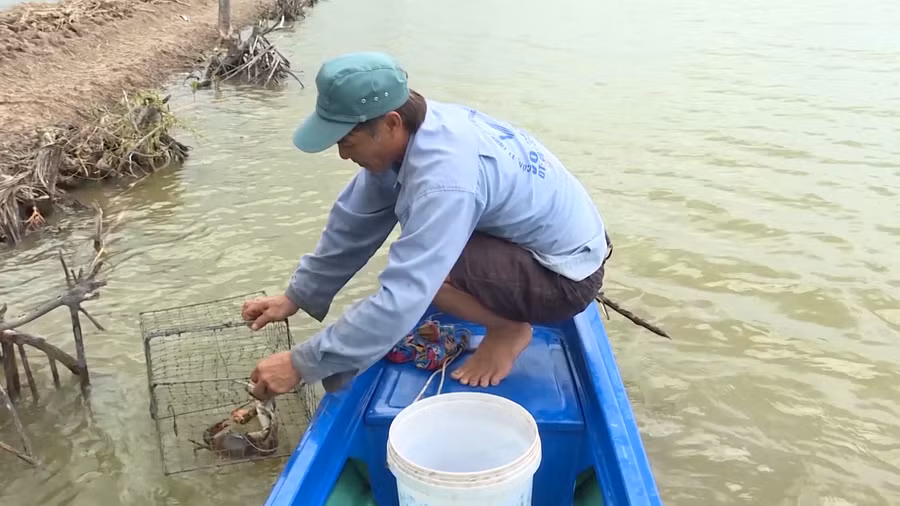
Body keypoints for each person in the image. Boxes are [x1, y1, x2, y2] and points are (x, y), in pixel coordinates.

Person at [244, 51, 611, 400]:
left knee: (428, 270)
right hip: (541, 249)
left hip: (565, 278)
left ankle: (508, 329)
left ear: (390, 123)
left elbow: (405, 295)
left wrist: (300, 364)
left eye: (346, 141)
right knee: (425, 248)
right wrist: (297, 296)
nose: (342, 154)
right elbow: (353, 224)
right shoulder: (417, 130)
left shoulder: (444, 177)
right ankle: (503, 317)